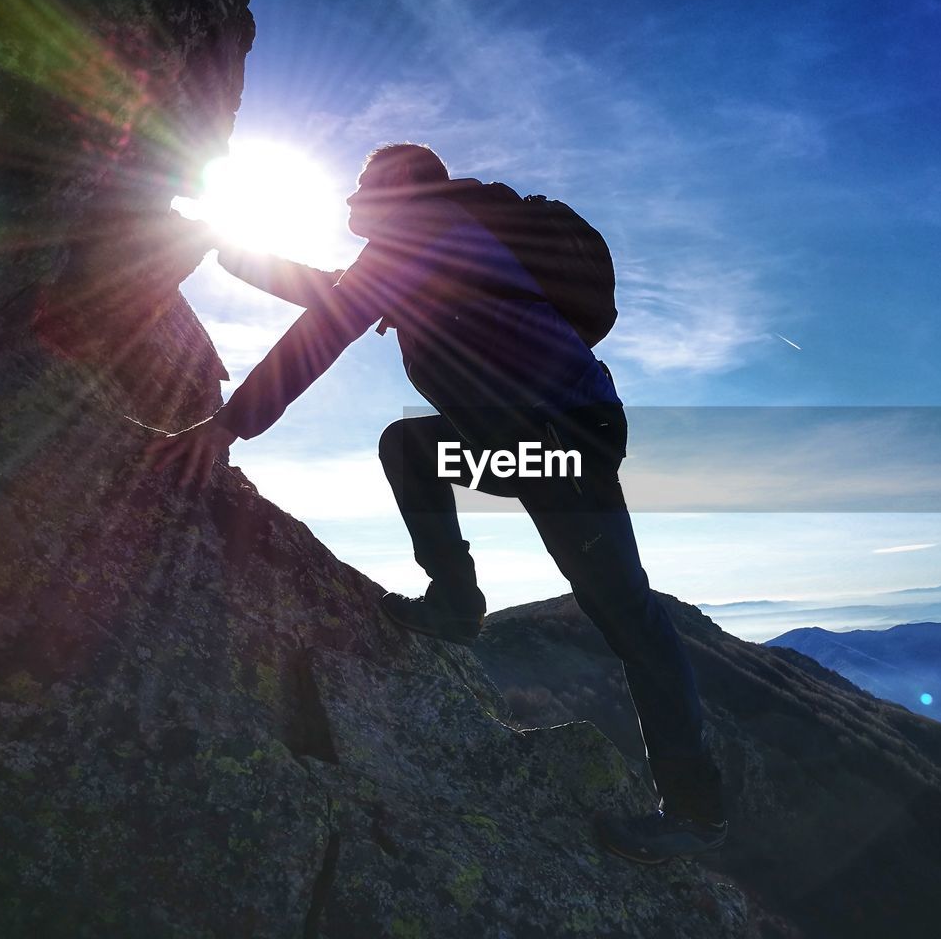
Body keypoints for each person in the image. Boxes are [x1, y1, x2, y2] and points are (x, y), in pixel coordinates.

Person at [144, 143, 726, 863]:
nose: (356, 193)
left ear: (399, 190)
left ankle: (695, 810)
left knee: (626, 614)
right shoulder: (429, 246)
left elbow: (324, 328)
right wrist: (225, 250)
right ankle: (455, 603)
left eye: (368, 182)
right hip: (528, 439)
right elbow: (336, 294)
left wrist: (230, 424)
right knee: (411, 448)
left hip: (560, 449)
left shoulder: (424, 237)